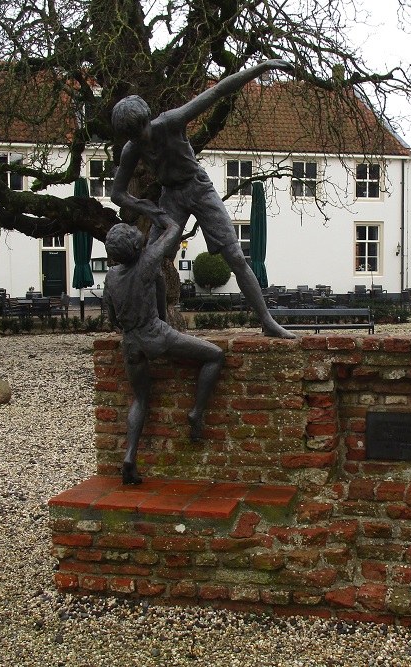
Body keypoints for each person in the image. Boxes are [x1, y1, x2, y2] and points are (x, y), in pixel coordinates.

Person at [110, 59, 296, 339]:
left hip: (198, 188)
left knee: (234, 255)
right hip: (170, 197)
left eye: (141, 133)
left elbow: (219, 90)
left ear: (148, 121)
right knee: (149, 259)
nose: (140, 141)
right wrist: (149, 210)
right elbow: (118, 194)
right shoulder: (131, 149)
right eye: (133, 137)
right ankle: (157, 324)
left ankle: (267, 321)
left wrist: (263, 66)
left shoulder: (171, 122)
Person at [104, 217, 225, 485]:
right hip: (158, 336)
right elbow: (173, 232)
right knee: (215, 354)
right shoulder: (147, 263)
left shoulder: (111, 277)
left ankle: (130, 456)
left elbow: (112, 319)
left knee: (140, 399)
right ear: (135, 245)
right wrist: (157, 212)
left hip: (132, 344)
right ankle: (196, 412)